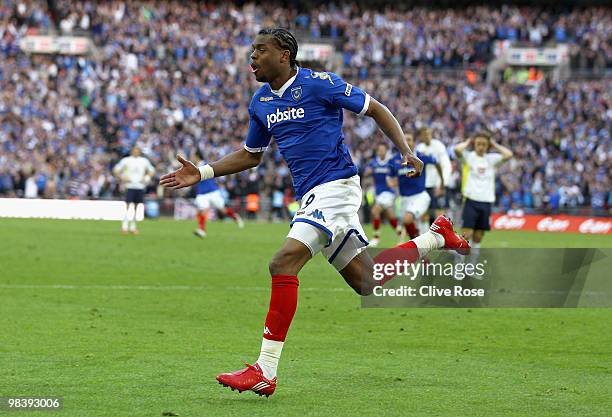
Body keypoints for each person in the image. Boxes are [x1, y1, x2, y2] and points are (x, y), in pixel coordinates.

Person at [160, 28, 469, 397]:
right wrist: (204, 171)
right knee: (366, 282)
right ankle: (436, 235)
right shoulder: (260, 102)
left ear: (285, 55)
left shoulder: (320, 84)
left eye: (261, 50)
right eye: (252, 51)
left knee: (282, 263)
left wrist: (405, 150)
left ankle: (265, 369)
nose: (252, 58)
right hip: (312, 195)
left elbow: (376, 109)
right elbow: (252, 155)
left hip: (336, 187)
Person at [454, 131, 513, 259]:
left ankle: (472, 267)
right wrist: (468, 141)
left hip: (486, 201)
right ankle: (458, 267)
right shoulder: (468, 157)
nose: (481, 146)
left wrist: (494, 144)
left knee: (478, 237)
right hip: (471, 200)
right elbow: (457, 150)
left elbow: (509, 154)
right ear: (474, 144)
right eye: (478, 143)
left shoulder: (492, 159)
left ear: (488, 146)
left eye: (484, 144)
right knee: (466, 234)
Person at [388, 133, 444, 241]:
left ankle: (425, 244)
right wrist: (393, 183)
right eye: (404, 140)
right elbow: (390, 179)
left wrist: (442, 181)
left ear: (414, 142)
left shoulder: (422, 156)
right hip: (404, 199)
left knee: (409, 219)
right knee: (412, 228)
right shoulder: (394, 160)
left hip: (420, 196)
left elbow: (437, 163)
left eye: (409, 139)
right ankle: (422, 249)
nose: (406, 142)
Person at [193, 152, 244, 238]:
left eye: (193, 156)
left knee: (223, 210)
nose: (192, 157)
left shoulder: (204, 164)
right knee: (203, 210)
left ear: (197, 156)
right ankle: (201, 230)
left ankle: (235, 217)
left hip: (212, 191)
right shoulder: (194, 166)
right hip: (201, 193)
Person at [112, 145, 155, 234]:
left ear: (139, 151)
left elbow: (151, 170)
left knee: (136, 206)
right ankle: (124, 226)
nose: (136, 152)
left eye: (137, 150)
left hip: (140, 186)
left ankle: (133, 226)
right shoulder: (126, 160)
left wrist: (147, 177)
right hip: (129, 186)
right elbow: (116, 170)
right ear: (132, 151)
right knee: (127, 206)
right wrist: (122, 177)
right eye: (134, 150)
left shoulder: (144, 161)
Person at [364, 142, 399, 246]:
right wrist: (368, 172)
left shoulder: (391, 162)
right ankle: (400, 231)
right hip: (378, 193)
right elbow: (366, 172)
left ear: (386, 151)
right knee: (389, 214)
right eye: (379, 150)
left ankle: (376, 237)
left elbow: (398, 175)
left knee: (375, 211)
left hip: (388, 192)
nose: (381, 152)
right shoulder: (373, 162)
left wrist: (394, 183)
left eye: (383, 150)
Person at [415, 127, 451, 229]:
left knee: (439, 214)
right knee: (424, 213)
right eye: (424, 134)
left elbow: (446, 165)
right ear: (421, 136)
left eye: (428, 134)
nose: (427, 136)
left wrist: (442, 184)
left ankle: (441, 239)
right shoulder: (419, 148)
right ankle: (425, 240)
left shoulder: (439, 146)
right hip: (424, 186)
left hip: (437, 184)